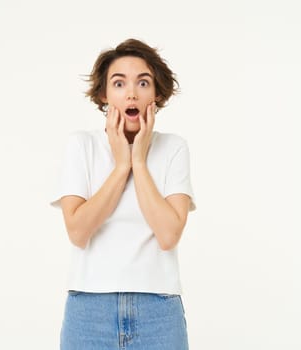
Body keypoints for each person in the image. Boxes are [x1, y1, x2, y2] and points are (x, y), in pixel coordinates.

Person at [51, 38, 196, 350]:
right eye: (119, 83)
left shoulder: (173, 148)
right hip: (89, 310)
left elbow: (169, 234)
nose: (131, 93)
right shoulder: (82, 146)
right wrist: (120, 167)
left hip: (159, 309)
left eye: (143, 82)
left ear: (156, 94)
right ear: (105, 94)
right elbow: (78, 231)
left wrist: (139, 161)